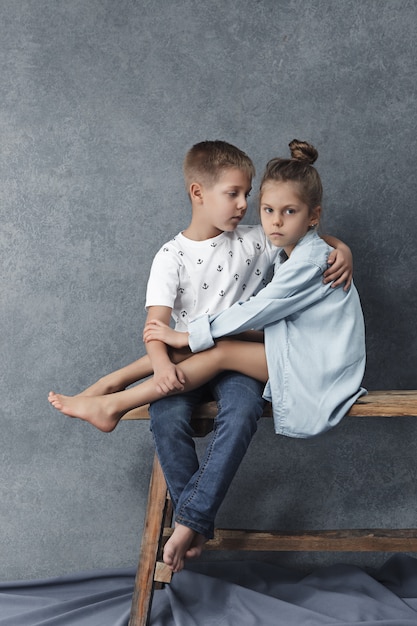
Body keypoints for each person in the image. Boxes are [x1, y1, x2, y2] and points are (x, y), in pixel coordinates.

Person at [49, 139, 357, 573]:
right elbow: (157, 329)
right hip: (184, 363)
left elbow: (309, 238)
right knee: (166, 415)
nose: (245, 205)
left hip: (238, 360)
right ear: (198, 193)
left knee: (243, 408)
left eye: (248, 195)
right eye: (234, 194)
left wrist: (343, 250)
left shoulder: (255, 240)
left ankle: (184, 514)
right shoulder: (170, 256)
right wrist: (160, 369)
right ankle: (193, 521)